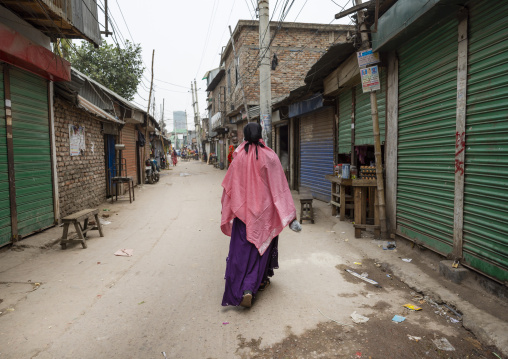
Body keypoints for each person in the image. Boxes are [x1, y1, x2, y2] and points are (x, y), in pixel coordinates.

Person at [220, 122, 301, 308]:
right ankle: (254, 285)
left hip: (243, 216)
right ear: (261, 134)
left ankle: (242, 288)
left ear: (245, 136)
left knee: (241, 252)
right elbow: (280, 188)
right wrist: (289, 215)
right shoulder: (270, 156)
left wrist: (227, 209)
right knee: (261, 250)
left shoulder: (238, 157)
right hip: (265, 214)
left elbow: (229, 188)